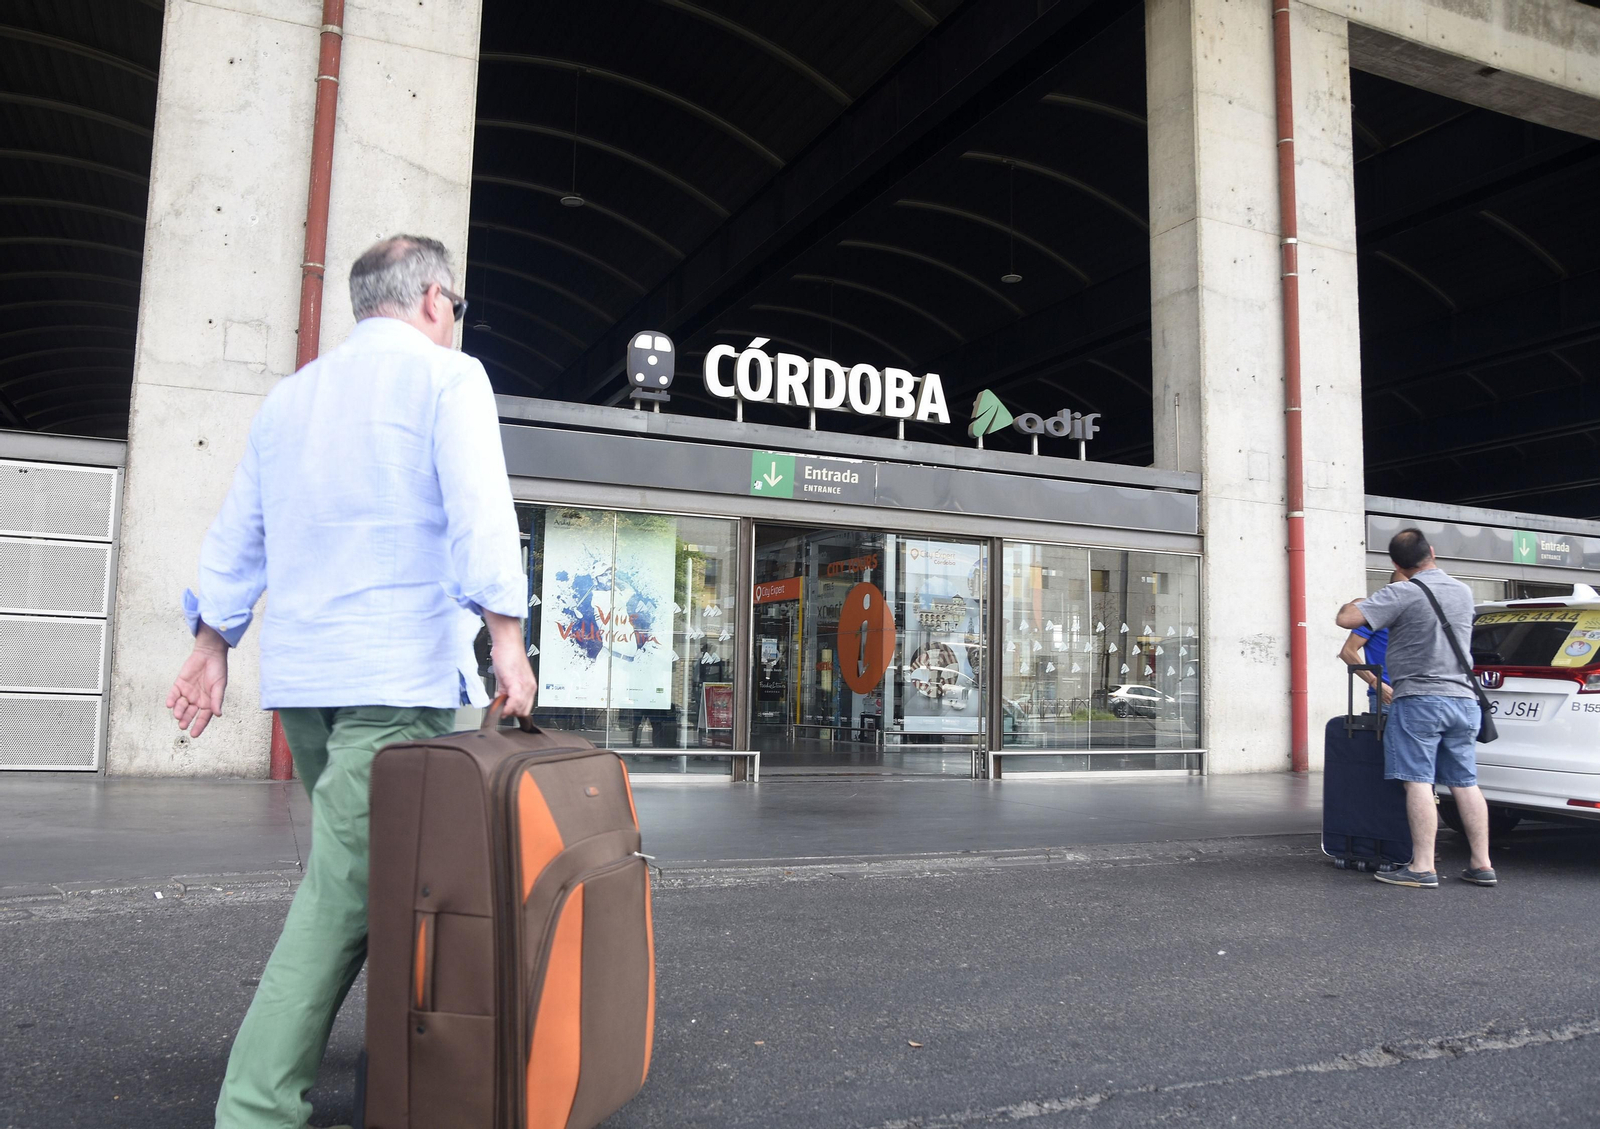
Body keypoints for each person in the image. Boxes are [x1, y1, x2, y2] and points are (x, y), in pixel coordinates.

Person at [164, 235, 537, 1128]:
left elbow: (239, 532)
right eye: (457, 307)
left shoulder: (289, 400)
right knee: (344, 891)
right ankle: (254, 1107)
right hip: (395, 676)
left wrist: (212, 641)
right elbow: (482, 512)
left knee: (373, 878)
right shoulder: (451, 380)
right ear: (435, 300)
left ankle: (417, 1057)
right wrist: (508, 643)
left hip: (305, 681)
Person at [1336, 528, 1495, 890]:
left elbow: (1346, 619)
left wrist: (1367, 600)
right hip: (1465, 700)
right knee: (1466, 783)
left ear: (1396, 564)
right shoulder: (1463, 591)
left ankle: (1422, 867)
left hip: (1421, 699)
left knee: (1418, 781)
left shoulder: (1400, 592)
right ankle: (1482, 864)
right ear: (1432, 552)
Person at [1337, 568, 1399, 713]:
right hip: (1387, 697)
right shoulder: (1379, 612)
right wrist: (1376, 683)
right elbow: (1347, 652)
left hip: (1418, 697)